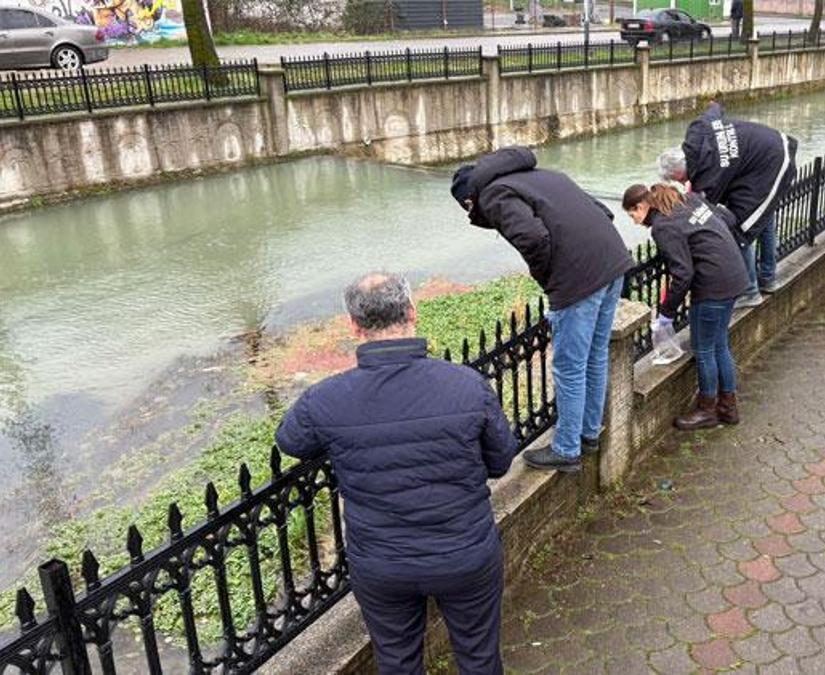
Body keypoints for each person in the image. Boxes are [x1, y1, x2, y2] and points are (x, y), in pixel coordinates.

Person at [275, 271, 518, 675]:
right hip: (464, 552)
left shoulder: (326, 399)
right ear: (411, 312)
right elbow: (501, 460)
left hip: (383, 564)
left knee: (397, 662)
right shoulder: (466, 385)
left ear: (353, 325)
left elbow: (290, 440)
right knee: (479, 656)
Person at [451, 146, 634, 473]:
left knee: (569, 366)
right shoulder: (543, 176)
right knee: (594, 355)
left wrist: (550, 277)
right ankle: (589, 433)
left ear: (470, 198)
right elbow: (601, 212)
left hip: (579, 278)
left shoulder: (493, 195)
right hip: (613, 262)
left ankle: (566, 449)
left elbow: (533, 238)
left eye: (467, 207)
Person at [623, 184, 746, 429]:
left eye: (632, 215)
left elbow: (683, 273)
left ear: (641, 206)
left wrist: (666, 314)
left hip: (713, 287)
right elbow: (727, 218)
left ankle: (707, 410)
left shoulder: (663, 227)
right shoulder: (687, 200)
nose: (635, 222)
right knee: (719, 344)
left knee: (704, 350)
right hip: (734, 276)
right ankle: (728, 408)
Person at [682, 101, 799, 308]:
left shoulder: (709, 174)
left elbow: (709, 210)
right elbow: (714, 111)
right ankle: (768, 277)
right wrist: (714, 105)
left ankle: (751, 291)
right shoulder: (700, 129)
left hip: (773, 162)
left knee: (741, 228)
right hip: (762, 156)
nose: (682, 183)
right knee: (764, 216)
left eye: (681, 179)